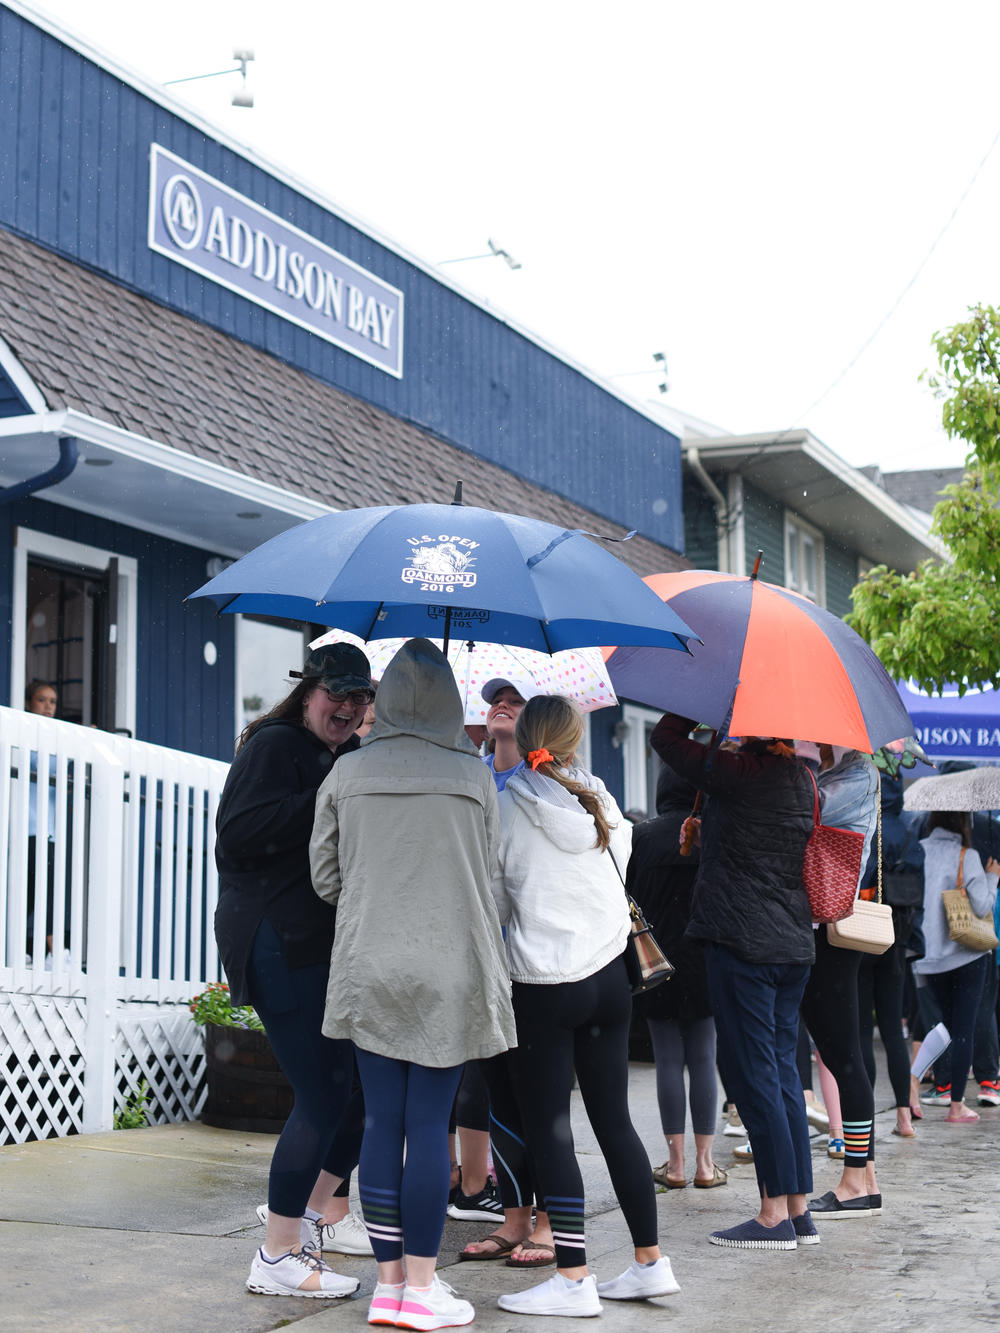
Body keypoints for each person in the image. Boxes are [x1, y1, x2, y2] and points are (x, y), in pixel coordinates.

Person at [310, 638, 516, 1331]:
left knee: (381, 1122)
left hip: (371, 964)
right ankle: (424, 1290)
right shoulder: (475, 776)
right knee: (431, 1125)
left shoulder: (347, 772)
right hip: (449, 965)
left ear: (385, 698)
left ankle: (389, 1283)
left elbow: (325, 879)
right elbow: (489, 870)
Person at [492, 695, 678, 1316]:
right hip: (609, 979)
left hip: (545, 983)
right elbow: (615, 869)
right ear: (577, 739)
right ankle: (649, 1263)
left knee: (549, 1126)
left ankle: (573, 1278)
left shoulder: (507, 802)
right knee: (615, 1121)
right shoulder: (599, 799)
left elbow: (495, 899)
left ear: (522, 737)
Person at [215, 642, 374, 1299]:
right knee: (324, 1094)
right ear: (308, 690)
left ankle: (308, 1220)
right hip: (275, 939)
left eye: (360, 697)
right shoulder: (277, 745)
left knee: (356, 1093)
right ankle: (277, 1252)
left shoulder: (339, 758)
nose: (347, 706)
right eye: (336, 692)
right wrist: (329, 791)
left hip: (318, 942)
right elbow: (238, 833)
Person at [652, 714, 816, 1252]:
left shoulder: (739, 770)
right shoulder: (802, 778)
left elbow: (664, 739)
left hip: (743, 942)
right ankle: (799, 1211)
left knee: (753, 1075)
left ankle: (771, 1216)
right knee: (783, 1073)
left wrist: (696, 706)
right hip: (791, 944)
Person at [627, 762, 726, 1190]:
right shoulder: (711, 832)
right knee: (704, 1058)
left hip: (655, 961)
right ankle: (706, 1164)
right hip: (705, 956)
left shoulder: (642, 837)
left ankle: (676, 1163)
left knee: (668, 1060)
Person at [799, 745, 882, 1219]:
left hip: (834, 928)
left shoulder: (857, 774)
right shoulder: (835, 768)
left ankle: (854, 1179)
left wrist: (799, 764)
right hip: (818, 927)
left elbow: (805, 808)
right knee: (839, 1052)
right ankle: (865, 1176)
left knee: (844, 1054)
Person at [913, 811, 1000, 1123]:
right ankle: (956, 1105)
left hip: (926, 955)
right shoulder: (968, 855)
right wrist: (992, 877)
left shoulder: (917, 847)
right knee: (962, 1030)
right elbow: (980, 905)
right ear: (962, 822)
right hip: (966, 955)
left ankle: (912, 1083)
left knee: (935, 1026)